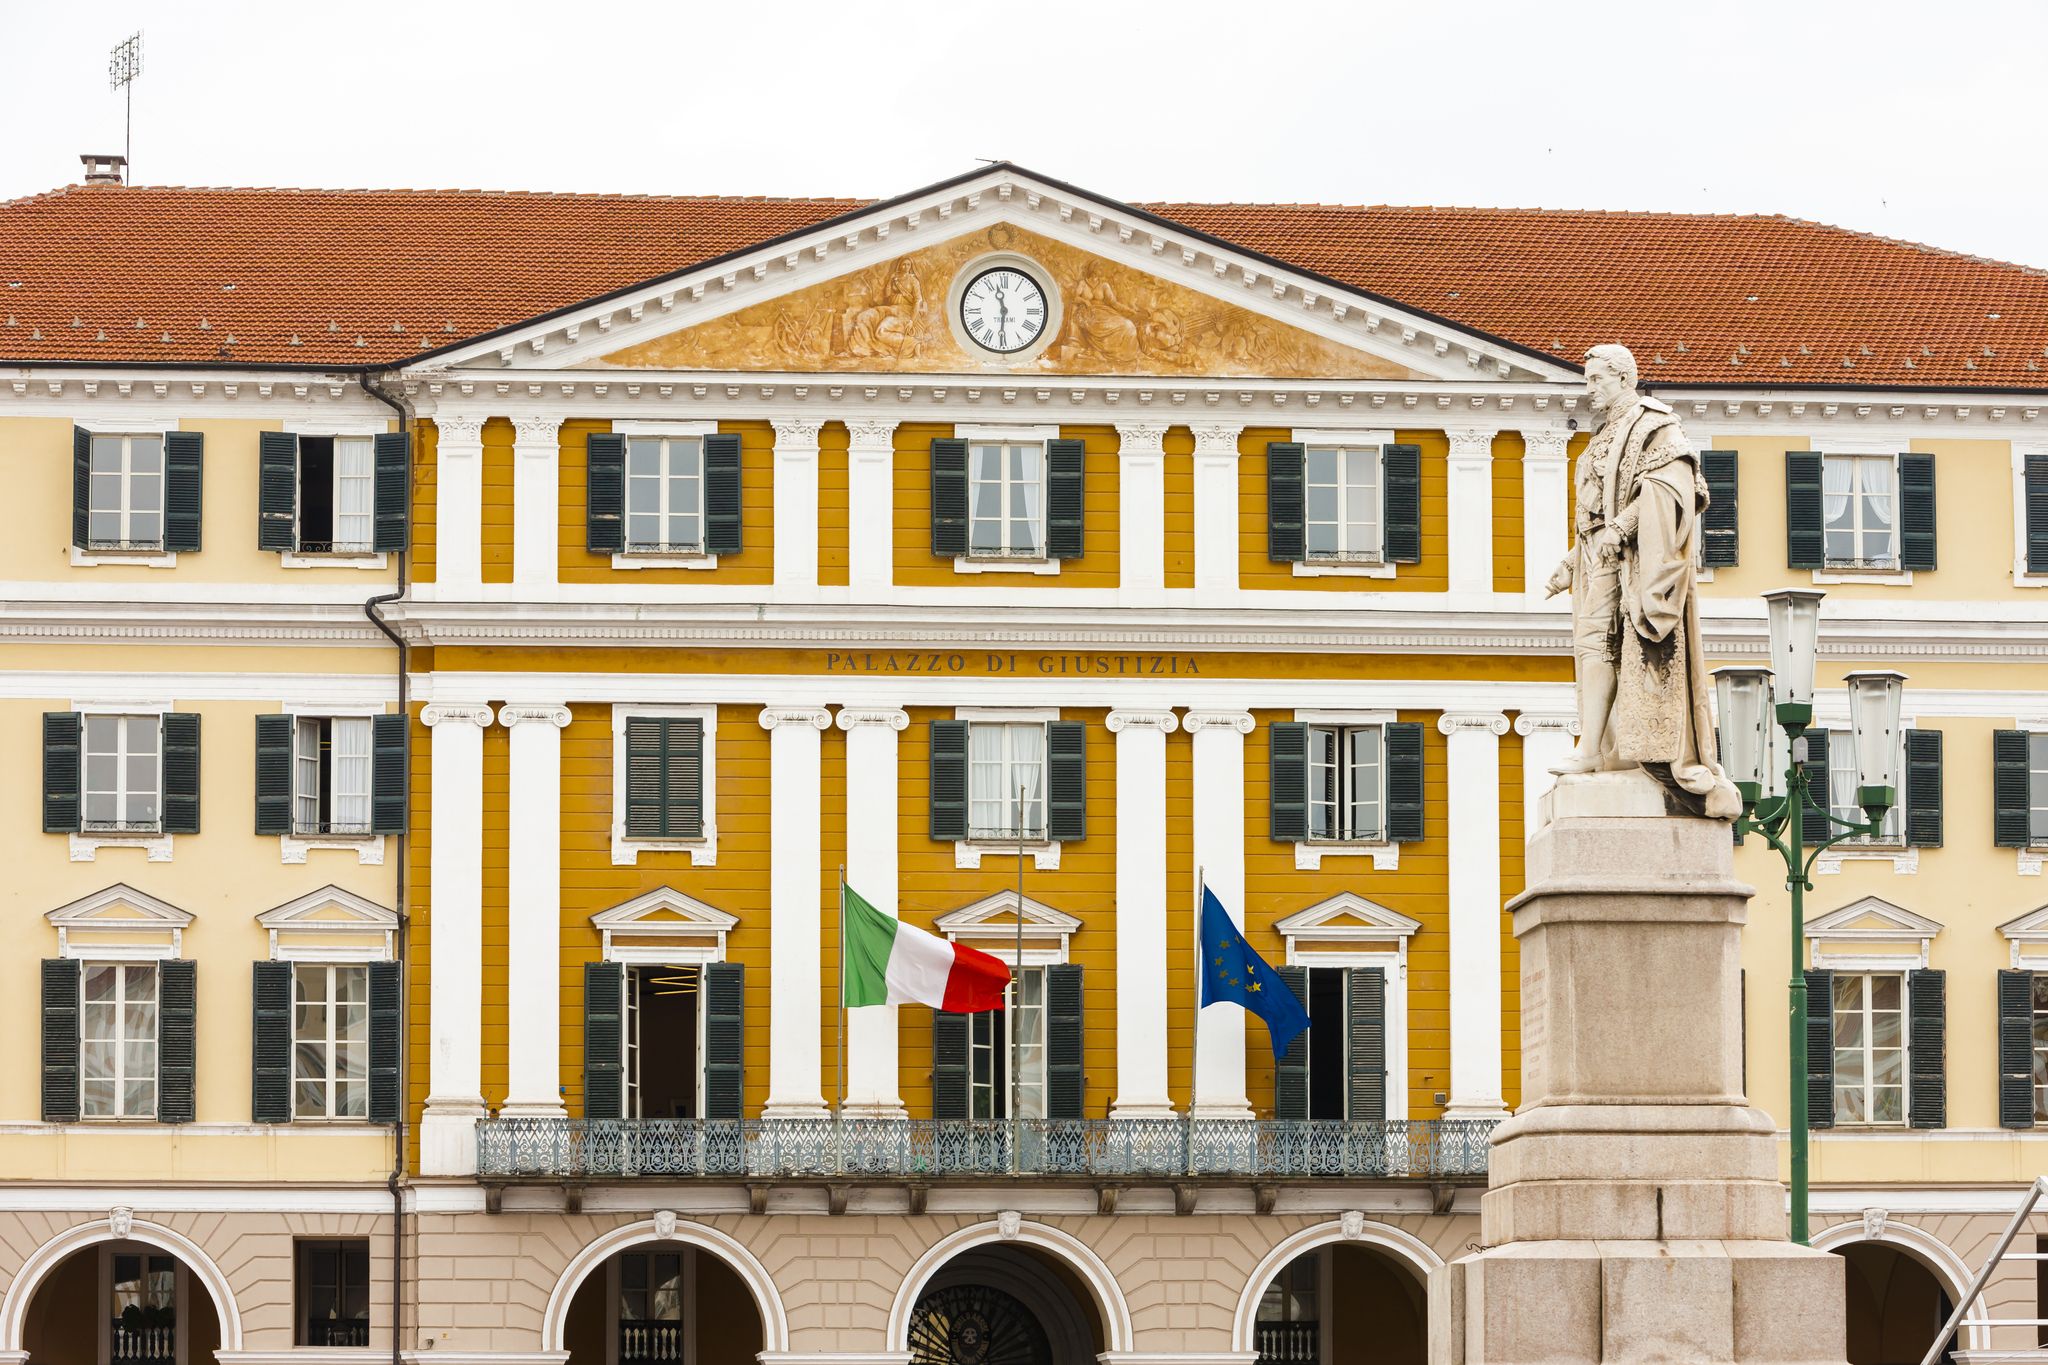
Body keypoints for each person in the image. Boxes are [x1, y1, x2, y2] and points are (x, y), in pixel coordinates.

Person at [1545, 344, 1739, 818]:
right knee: (1593, 646)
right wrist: (1574, 558)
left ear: (1625, 378)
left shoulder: (1655, 425)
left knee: (1610, 647)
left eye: (1596, 380)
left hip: (1632, 560)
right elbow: (1596, 508)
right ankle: (1592, 747)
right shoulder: (1601, 435)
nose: (1589, 390)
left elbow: (1674, 489)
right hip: (1596, 556)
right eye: (1587, 380)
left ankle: (1601, 748)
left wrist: (1622, 528)